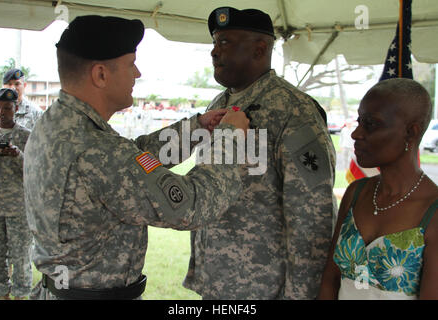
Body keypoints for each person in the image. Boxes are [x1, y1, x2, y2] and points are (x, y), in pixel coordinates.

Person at [23, 15, 249, 300]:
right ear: (101, 75)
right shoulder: (96, 150)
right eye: (131, 64)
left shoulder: (57, 124)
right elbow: (191, 205)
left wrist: (196, 129)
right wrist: (230, 138)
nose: (138, 73)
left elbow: (132, 158)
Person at [182, 7, 336, 299]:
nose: (214, 52)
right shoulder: (219, 103)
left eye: (225, 42)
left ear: (260, 48)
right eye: (214, 43)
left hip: (264, 287)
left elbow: (312, 215)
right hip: (218, 280)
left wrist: (301, 295)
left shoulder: (295, 110)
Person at [318, 78, 438, 300]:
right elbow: (330, 280)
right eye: (360, 122)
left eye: (371, 124)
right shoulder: (357, 193)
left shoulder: (432, 210)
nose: (356, 134)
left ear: (411, 132)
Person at [0, 88, 32, 300]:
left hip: (18, 208)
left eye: (7, 107)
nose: (2, 112)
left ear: (16, 108)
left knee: (21, 256)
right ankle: (1, 295)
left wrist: (17, 154)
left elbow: (35, 172)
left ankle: (21, 296)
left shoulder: (26, 136)